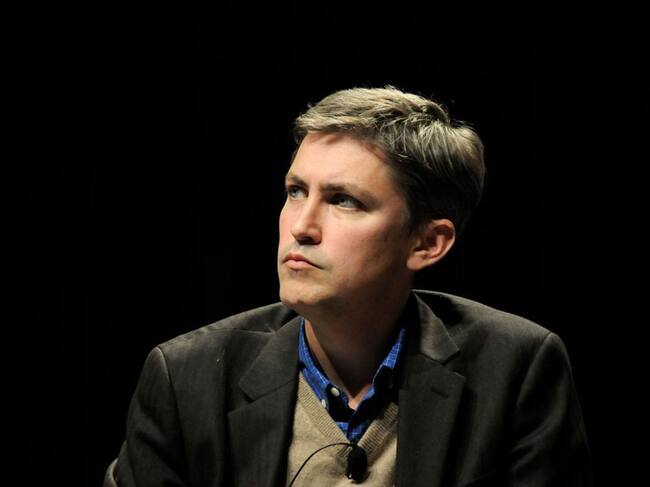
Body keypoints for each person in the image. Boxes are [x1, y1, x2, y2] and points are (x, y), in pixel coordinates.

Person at [104, 86, 592, 486]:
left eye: (343, 200)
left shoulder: (516, 370)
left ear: (427, 243)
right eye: (296, 192)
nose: (302, 226)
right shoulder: (187, 378)